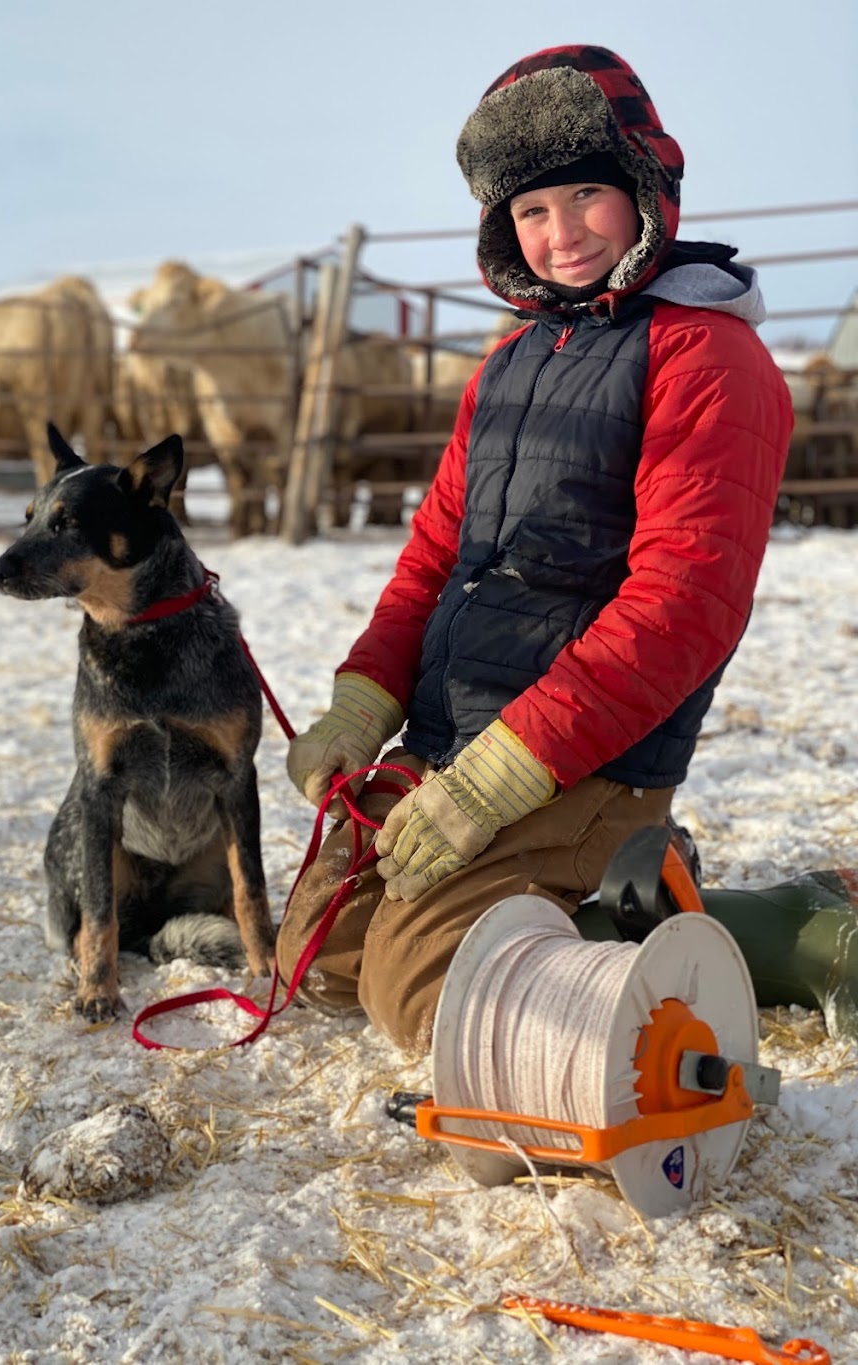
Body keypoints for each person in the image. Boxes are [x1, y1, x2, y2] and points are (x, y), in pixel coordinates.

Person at [276, 44, 794, 1056]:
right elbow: (433, 554)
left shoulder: (706, 354)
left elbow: (685, 603)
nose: (559, 236)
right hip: (454, 735)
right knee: (320, 959)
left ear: (646, 188)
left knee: (427, 992)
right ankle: (631, 893)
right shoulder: (510, 362)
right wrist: (361, 702)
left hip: (580, 756)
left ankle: (705, 911)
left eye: (585, 195)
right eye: (529, 212)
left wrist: (509, 772)